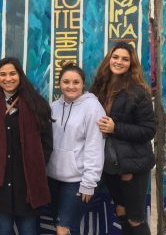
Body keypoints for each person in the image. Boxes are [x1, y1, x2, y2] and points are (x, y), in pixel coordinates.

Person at [0, 57, 53, 235]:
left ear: (20, 75)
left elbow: (47, 143)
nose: (8, 78)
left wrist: (36, 167)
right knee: (3, 229)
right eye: (3, 74)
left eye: (12, 73)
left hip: (27, 182)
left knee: (28, 230)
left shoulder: (36, 103)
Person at [90, 42, 155, 235]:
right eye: (115, 57)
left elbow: (148, 130)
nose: (119, 62)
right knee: (122, 212)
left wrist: (115, 128)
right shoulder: (99, 87)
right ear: (109, 59)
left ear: (131, 64)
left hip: (133, 165)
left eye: (125, 59)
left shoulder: (138, 91)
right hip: (110, 165)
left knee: (135, 220)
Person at [47, 63, 105, 235]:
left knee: (63, 229)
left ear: (83, 84)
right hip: (53, 178)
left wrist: (88, 183)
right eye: (66, 82)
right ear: (59, 84)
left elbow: (95, 147)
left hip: (77, 181)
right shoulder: (54, 107)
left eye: (75, 82)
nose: (71, 86)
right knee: (66, 227)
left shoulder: (93, 108)